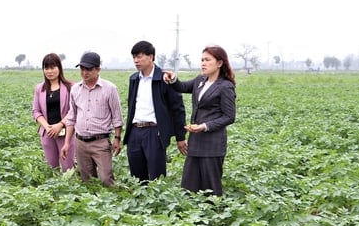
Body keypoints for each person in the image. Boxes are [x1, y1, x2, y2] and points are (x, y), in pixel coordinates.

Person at [163, 45, 236, 195]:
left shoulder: (225, 86)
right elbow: (182, 87)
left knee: (211, 187)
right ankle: (191, 216)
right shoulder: (200, 80)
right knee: (190, 184)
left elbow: (229, 116)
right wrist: (173, 79)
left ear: (220, 63)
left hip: (213, 144)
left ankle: (214, 215)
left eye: (207, 60)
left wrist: (204, 126)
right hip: (196, 141)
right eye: (202, 60)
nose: (203, 63)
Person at [123, 40, 188, 183]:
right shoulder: (134, 79)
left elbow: (178, 109)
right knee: (137, 177)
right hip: (135, 131)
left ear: (151, 57)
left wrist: (180, 136)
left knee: (156, 177)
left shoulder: (164, 78)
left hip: (154, 132)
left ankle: (156, 204)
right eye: (134, 57)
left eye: (140, 57)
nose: (136, 61)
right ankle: (140, 204)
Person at [61, 51, 124, 186]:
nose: (85, 73)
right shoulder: (75, 89)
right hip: (80, 142)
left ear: (98, 69)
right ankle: (92, 206)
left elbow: (117, 117)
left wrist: (117, 139)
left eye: (89, 69)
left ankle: (109, 204)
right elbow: (71, 118)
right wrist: (67, 143)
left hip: (101, 142)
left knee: (106, 179)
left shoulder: (110, 89)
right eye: (82, 69)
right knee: (87, 181)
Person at [32, 53, 75, 171]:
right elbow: (36, 111)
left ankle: (70, 188)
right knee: (52, 168)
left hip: (65, 132)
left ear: (59, 68)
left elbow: (74, 110)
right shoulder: (39, 88)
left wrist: (60, 124)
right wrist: (47, 127)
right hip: (47, 133)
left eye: (52, 67)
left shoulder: (70, 87)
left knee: (68, 167)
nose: (49, 71)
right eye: (46, 68)